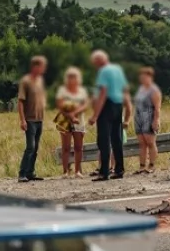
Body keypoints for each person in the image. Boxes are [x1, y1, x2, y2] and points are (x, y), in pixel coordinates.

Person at [88, 50, 132, 181]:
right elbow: (125, 88)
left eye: (95, 63)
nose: (95, 66)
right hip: (118, 105)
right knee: (116, 138)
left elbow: (103, 92)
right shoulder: (117, 69)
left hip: (107, 105)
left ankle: (104, 171)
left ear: (99, 61)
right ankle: (119, 169)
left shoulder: (103, 71)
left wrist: (95, 115)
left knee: (103, 139)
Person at [54, 67, 90, 178]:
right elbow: (60, 106)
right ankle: (65, 171)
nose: (72, 80)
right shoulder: (62, 90)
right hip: (65, 119)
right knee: (66, 147)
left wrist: (75, 113)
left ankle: (77, 171)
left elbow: (85, 104)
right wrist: (70, 116)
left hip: (79, 119)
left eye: (74, 77)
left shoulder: (82, 91)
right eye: (70, 77)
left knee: (78, 146)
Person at [17, 55, 47, 183]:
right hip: (30, 119)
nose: (44, 69)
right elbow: (20, 102)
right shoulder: (25, 81)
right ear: (35, 66)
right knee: (30, 147)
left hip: (39, 119)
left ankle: (30, 172)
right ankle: (22, 173)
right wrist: (22, 120)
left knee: (35, 148)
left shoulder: (40, 80)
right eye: (42, 66)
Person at [133, 67, 162, 174]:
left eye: (144, 76)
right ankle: (142, 166)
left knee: (150, 142)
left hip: (149, 116)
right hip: (139, 117)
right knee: (142, 143)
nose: (142, 78)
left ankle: (152, 165)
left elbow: (157, 107)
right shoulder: (141, 89)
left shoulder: (154, 90)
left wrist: (156, 120)